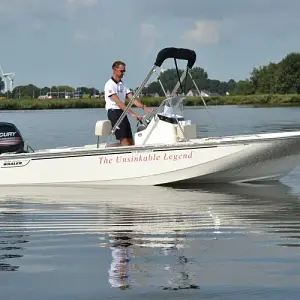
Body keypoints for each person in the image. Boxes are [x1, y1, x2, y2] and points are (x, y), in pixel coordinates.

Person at [104, 60, 152, 146]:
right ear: (114, 70)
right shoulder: (109, 85)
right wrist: (133, 114)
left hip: (122, 112)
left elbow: (132, 99)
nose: (123, 73)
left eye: (124, 71)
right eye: (121, 71)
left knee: (130, 139)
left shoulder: (123, 84)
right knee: (124, 138)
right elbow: (118, 102)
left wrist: (144, 107)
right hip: (114, 112)